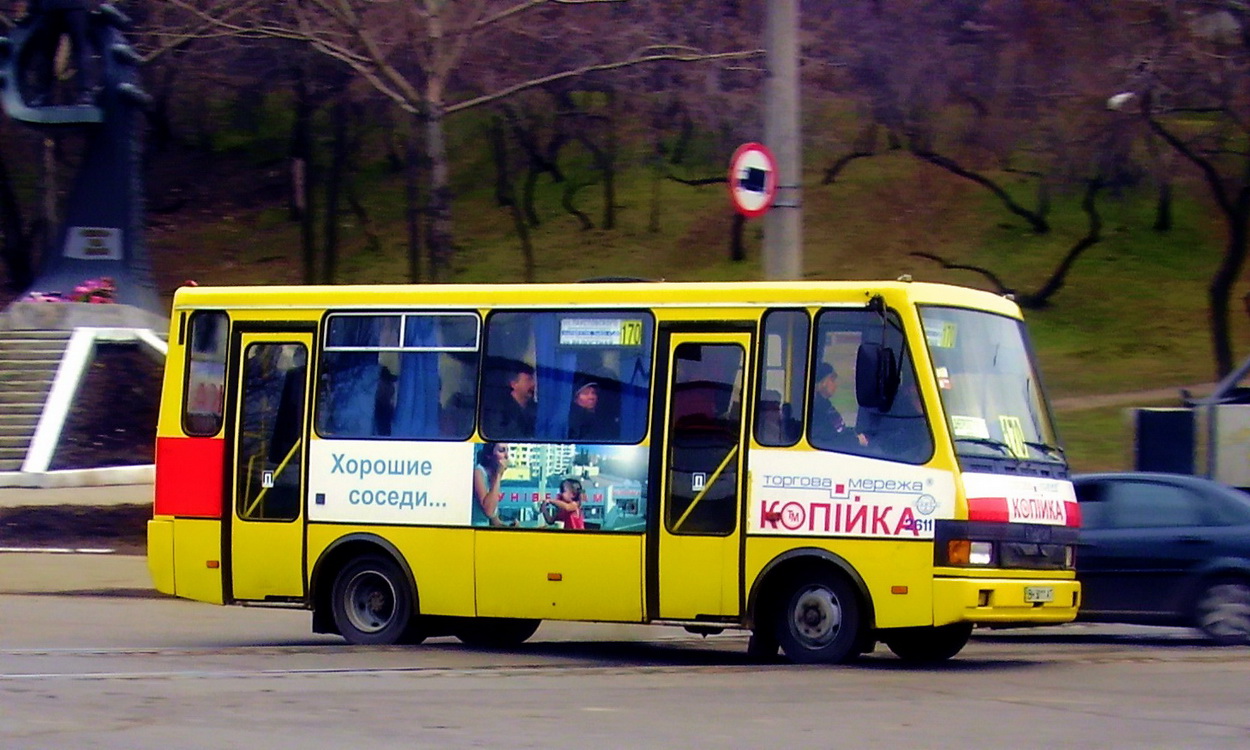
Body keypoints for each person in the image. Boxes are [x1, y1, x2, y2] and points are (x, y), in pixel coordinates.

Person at [26, 0, 95, 106]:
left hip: (51, 7)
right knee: (81, 49)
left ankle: (42, 95)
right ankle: (86, 94)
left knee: (47, 52)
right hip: (74, 6)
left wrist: (33, 7)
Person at [810, 362, 867, 450]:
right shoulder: (816, 411)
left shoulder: (826, 405)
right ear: (822, 383)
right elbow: (829, 440)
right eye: (832, 380)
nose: (836, 384)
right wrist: (856, 440)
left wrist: (855, 434)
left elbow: (840, 430)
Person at [482, 361, 537, 438]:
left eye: (533, 380)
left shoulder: (536, 409)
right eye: (528, 380)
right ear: (513, 384)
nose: (533, 384)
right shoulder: (498, 410)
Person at [472, 442, 514, 527]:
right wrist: (498, 475)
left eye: (507, 451)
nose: (506, 456)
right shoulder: (478, 472)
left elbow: (495, 520)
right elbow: (488, 511)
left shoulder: (493, 476)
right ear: (489, 455)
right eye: (502, 451)